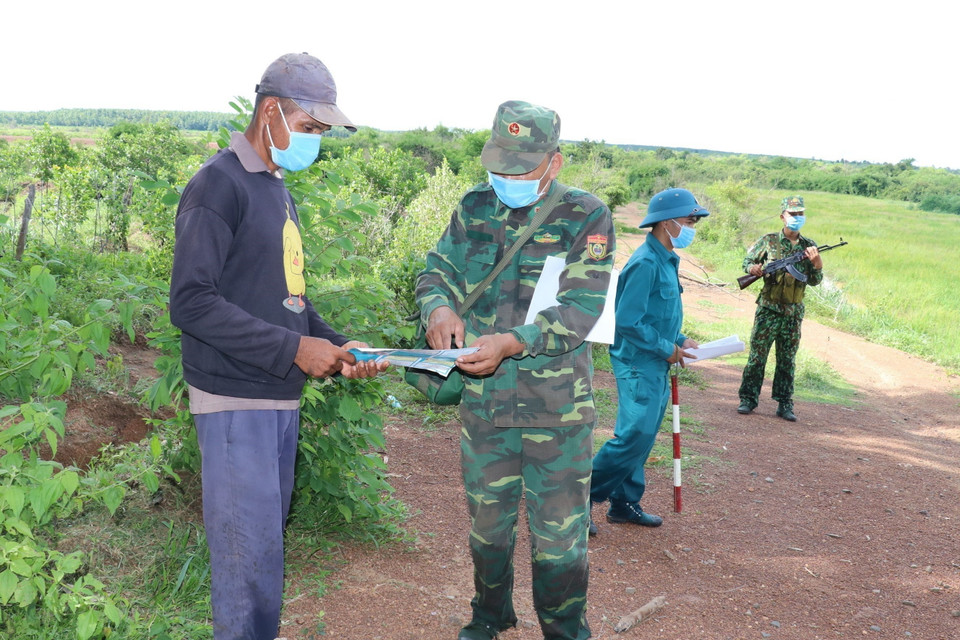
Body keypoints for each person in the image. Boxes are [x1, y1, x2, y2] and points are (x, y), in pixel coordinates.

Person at [169, 52, 387, 640]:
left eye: (321, 131)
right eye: (309, 126)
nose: (316, 140)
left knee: (264, 556)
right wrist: (295, 350)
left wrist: (337, 345)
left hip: (277, 400)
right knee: (246, 567)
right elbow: (191, 302)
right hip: (234, 402)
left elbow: (290, 299)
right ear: (270, 112)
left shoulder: (274, 188)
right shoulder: (218, 185)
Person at [415, 100, 615, 640]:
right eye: (500, 166)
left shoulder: (586, 215)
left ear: (555, 162)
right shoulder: (474, 206)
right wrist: (438, 308)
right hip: (485, 405)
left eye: (521, 168)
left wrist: (512, 343)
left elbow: (581, 309)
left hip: (558, 413)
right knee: (487, 529)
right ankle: (490, 615)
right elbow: (437, 271)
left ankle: (564, 630)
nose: (506, 179)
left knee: (559, 540)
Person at [588, 188, 708, 536]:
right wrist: (665, 347)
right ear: (666, 223)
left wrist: (680, 341)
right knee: (633, 435)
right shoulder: (645, 263)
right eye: (688, 220)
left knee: (644, 436)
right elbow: (627, 320)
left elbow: (657, 314)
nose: (692, 227)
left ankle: (623, 503)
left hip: (654, 361)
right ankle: (579, 497)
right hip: (637, 362)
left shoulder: (666, 259)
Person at [737, 195, 823, 422]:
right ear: (782, 216)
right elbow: (747, 262)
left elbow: (814, 281)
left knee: (787, 360)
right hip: (768, 310)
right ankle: (748, 399)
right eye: (793, 214)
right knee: (757, 357)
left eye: (800, 214)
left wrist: (817, 265)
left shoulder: (809, 246)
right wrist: (753, 269)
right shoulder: (769, 241)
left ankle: (785, 404)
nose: (797, 217)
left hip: (793, 314)